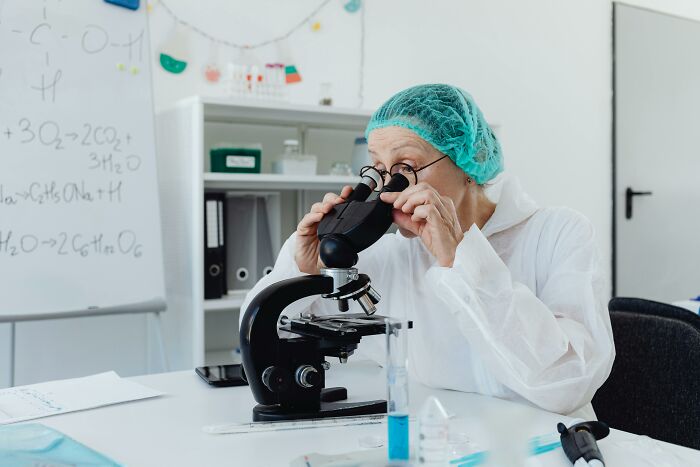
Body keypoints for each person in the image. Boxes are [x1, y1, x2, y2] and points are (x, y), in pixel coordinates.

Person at [240, 84, 615, 418]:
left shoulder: (558, 233)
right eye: (378, 170)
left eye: (406, 167)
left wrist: (460, 260)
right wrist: (301, 269)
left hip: (553, 446)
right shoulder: (391, 255)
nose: (389, 187)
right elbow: (257, 339)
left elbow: (569, 382)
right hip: (444, 443)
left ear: (467, 163)